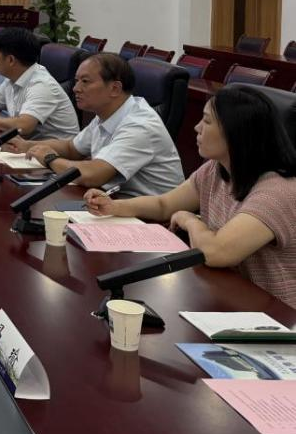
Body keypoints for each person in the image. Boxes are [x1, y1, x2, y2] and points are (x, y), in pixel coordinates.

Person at [85, 85, 296, 307]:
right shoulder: (217, 169)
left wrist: (190, 220)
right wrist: (114, 206)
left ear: (236, 131)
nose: (197, 127)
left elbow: (216, 252)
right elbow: (164, 204)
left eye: (207, 121)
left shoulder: (277, 192)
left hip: (275, 312)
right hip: (226, 292)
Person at [12, 53, 184, 196]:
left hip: (151, 219)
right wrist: (28, 145)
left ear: (115, 89)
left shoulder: (140, 125)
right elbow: (72, 148)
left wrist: (50, 159)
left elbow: (93, 174)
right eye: (77, 80)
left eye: (85, 81)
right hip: (116, 202)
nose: (75, 88)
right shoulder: (106, 114)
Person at [0, 28, 79, 140]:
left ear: (10, 60)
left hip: (54, 149)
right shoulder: (13, 78)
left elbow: (23, 127)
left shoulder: (42, 85)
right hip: (26, 145)